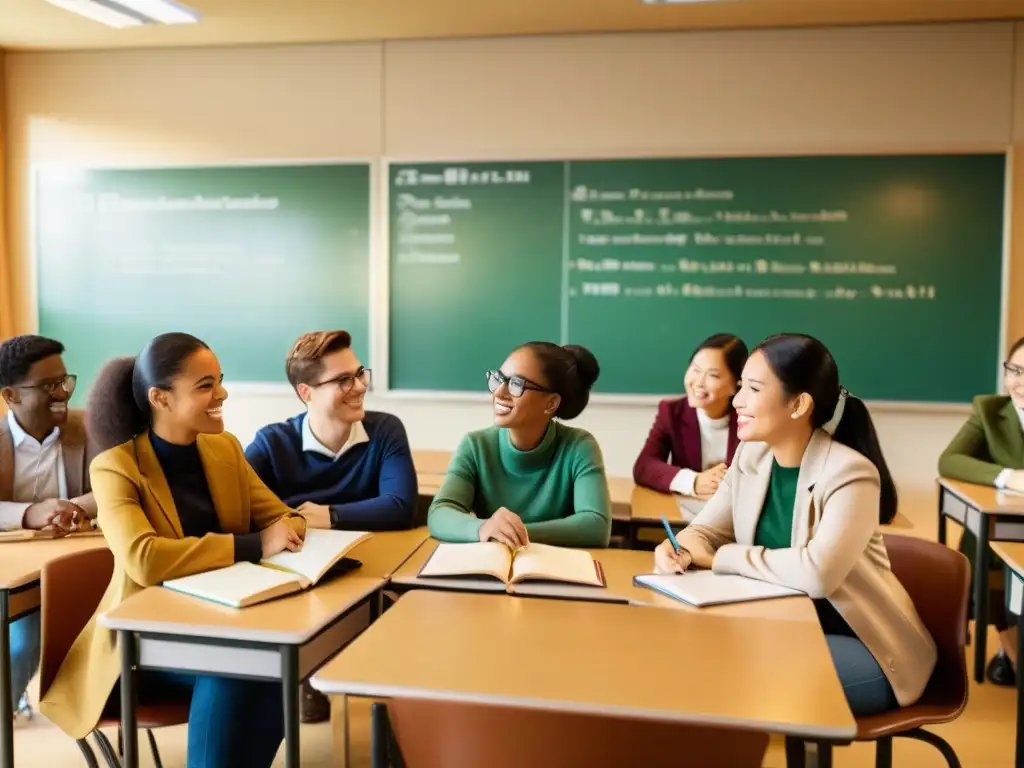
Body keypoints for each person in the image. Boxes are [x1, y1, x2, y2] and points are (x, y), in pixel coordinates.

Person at [39, 333, 306, 768]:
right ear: (160, 398)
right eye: (205, 386)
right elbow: (145, 559)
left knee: (275, 666)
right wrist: (254, 544)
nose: (221, 393)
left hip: (223, 620)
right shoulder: (114, 467)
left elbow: (284, 518)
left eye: (220, 380)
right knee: (234, 672)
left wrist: (283, 527)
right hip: (143, 644)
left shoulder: (224, 448)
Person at [654, 333, 936, 716]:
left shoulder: (850, 473)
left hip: (864, 645)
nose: (737, 401)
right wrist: (679, 546)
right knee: (686, 659)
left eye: (752, 389)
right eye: (740, 388)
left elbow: (817, 574)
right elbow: (704, 532)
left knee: (729, 678)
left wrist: (722, 557)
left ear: (799, 404)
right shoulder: (751, 457)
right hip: (783, 626)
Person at [245, 329, 417, 722]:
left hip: (371, 572)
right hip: (301, 581)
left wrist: (326, 515)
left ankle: (393, 717)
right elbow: (238, 502)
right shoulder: (273, 443)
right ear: (306, 392)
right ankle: (308, 672)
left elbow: (400, 507)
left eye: (360, 374)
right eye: (343, 380)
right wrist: (293, 515)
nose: (359, 387)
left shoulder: (385, 430)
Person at [428, 342, 611, 548]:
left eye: (516, 384)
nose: (499, 392)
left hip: (554, 571)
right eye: (499, 379)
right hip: (491, 569)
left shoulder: (579, 447)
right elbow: (440, 512)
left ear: (551, 403)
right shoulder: (475, 445)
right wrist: (483, 528)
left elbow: (596, 526)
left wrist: (514, 532)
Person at [0, 334, 97, 719]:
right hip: (11, 570)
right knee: (18, 640)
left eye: (65, 381)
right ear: (11, 396)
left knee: (26, 643)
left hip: (70, 568)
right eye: (48, 386)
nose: (63, 392)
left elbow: (117, 486)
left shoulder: (91, 427)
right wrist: (29, 513)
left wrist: (72, 507)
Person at [938, 334, 1024, 686]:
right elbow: (950, 460)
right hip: (1004, 530)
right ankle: (1013, 653)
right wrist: (1008, 476)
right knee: (987, 548)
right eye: (1015, 370)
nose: (1020, 382)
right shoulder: (990, 410)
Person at [633, 333, 746, 498]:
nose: (699, 382)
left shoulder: (750, 417)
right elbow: (644, 466)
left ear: (736, 385)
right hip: (686, 513)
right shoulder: (672, 412)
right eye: (695, 370)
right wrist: (694, 481)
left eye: (713, 375)